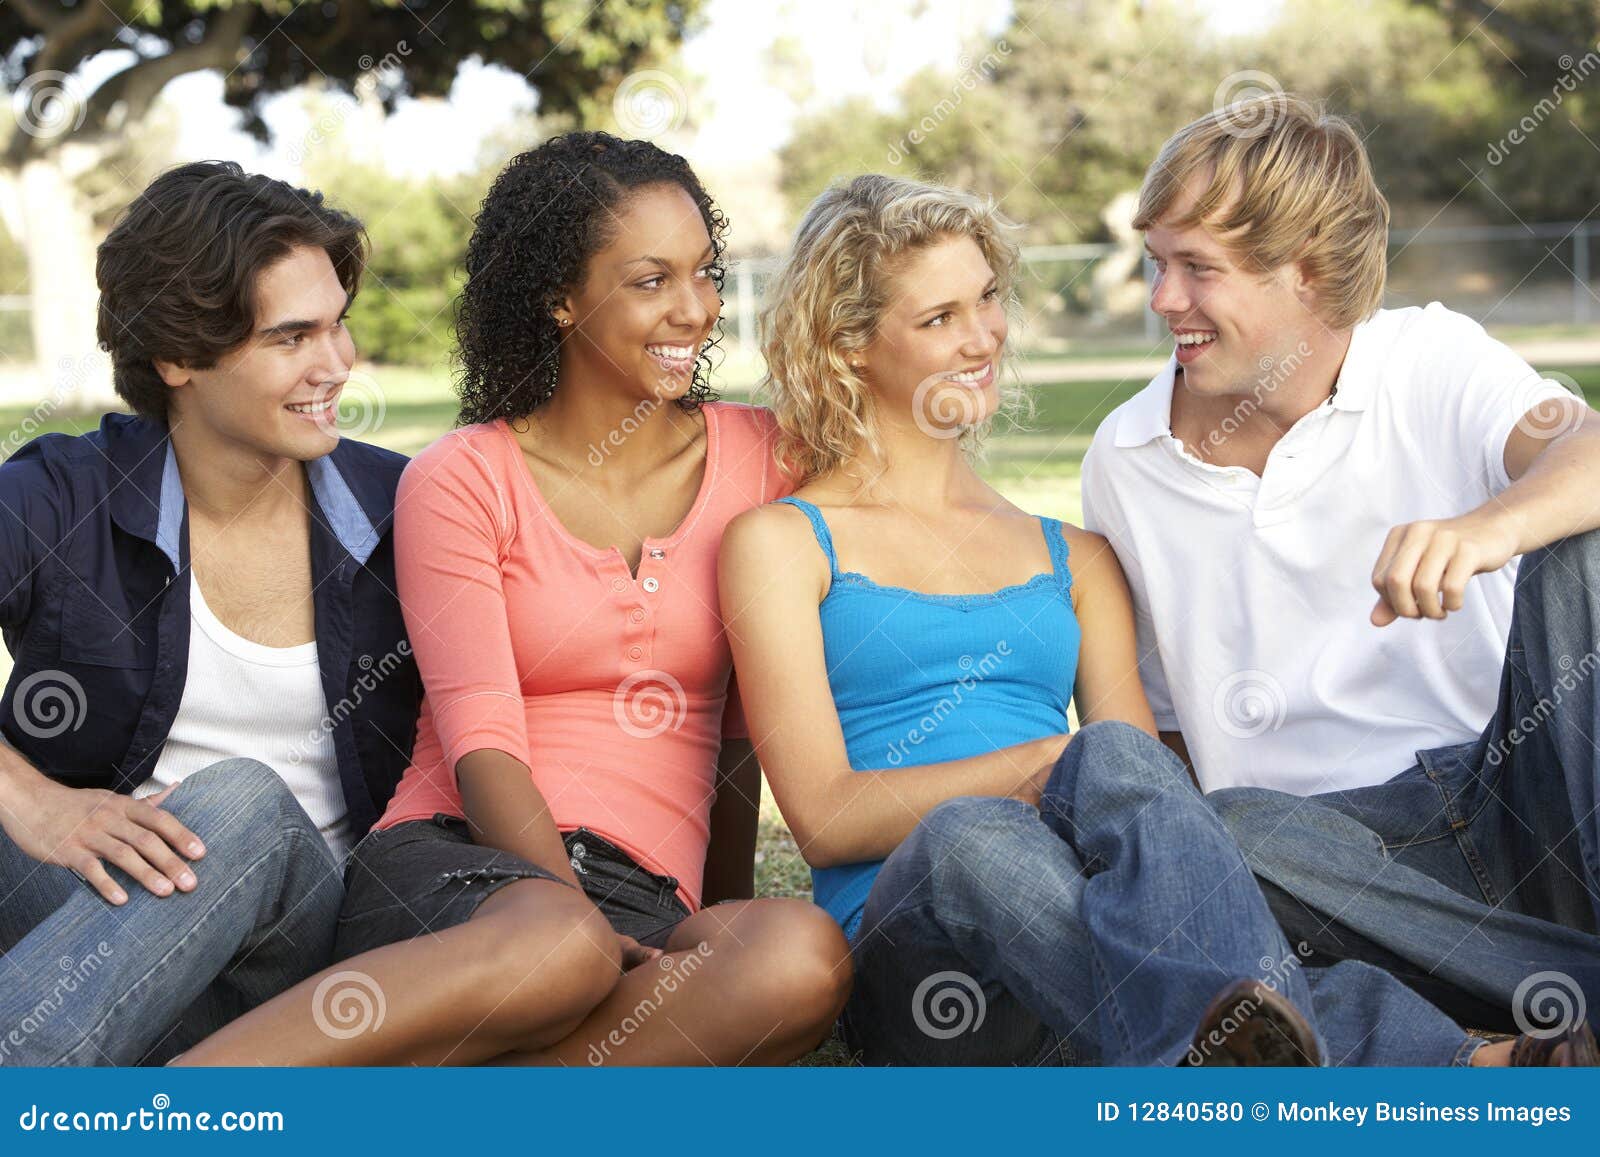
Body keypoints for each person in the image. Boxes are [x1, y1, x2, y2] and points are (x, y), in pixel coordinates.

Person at [719, 173, 1522, 1067]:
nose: (984, 336)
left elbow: (1146, 797)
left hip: (1074, 947)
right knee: (972, 831)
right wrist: (1040, 764)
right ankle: (1447, 1064)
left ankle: (1230, 1062)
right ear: (850, 347)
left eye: (988, 299)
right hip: (922, 961)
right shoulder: (785, 544)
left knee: (1122, 781)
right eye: (939, 318)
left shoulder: (1073, 555)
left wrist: (1074, 778)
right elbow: (825, 816)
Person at [174, 133, 851, 1066]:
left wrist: (715, 911)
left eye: (706, 274)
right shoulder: (465, 476)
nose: (693, 310)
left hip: (647, 895)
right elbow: (481, 738)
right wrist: (566, 906)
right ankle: (188, 1097)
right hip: (460, 872)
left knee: (796, 954)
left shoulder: (770, 460)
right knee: (558, 950)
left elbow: (742, 733)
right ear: (559, 297)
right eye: (651, 280)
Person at [1081, 93, 1599, 1064]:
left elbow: (1588, 450)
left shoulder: (1426, 357)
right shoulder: (1125, 456)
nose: (1160, 299)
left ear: (1307, 272)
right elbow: (1169, 736)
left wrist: (1486, 526)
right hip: (1327, 855)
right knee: (1211, 831)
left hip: (1516, 790)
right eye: (1158, 262)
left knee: (1583, 547)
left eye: (1197, 268)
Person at [0, 161, 420, 1066]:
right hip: (87, 930)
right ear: (177, 356)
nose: (337, 365)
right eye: (293, 336)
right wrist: (29, 799)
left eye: (337, 325)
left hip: (288, 964)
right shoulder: (62, 491)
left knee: (245, 804)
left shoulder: (405, 510)